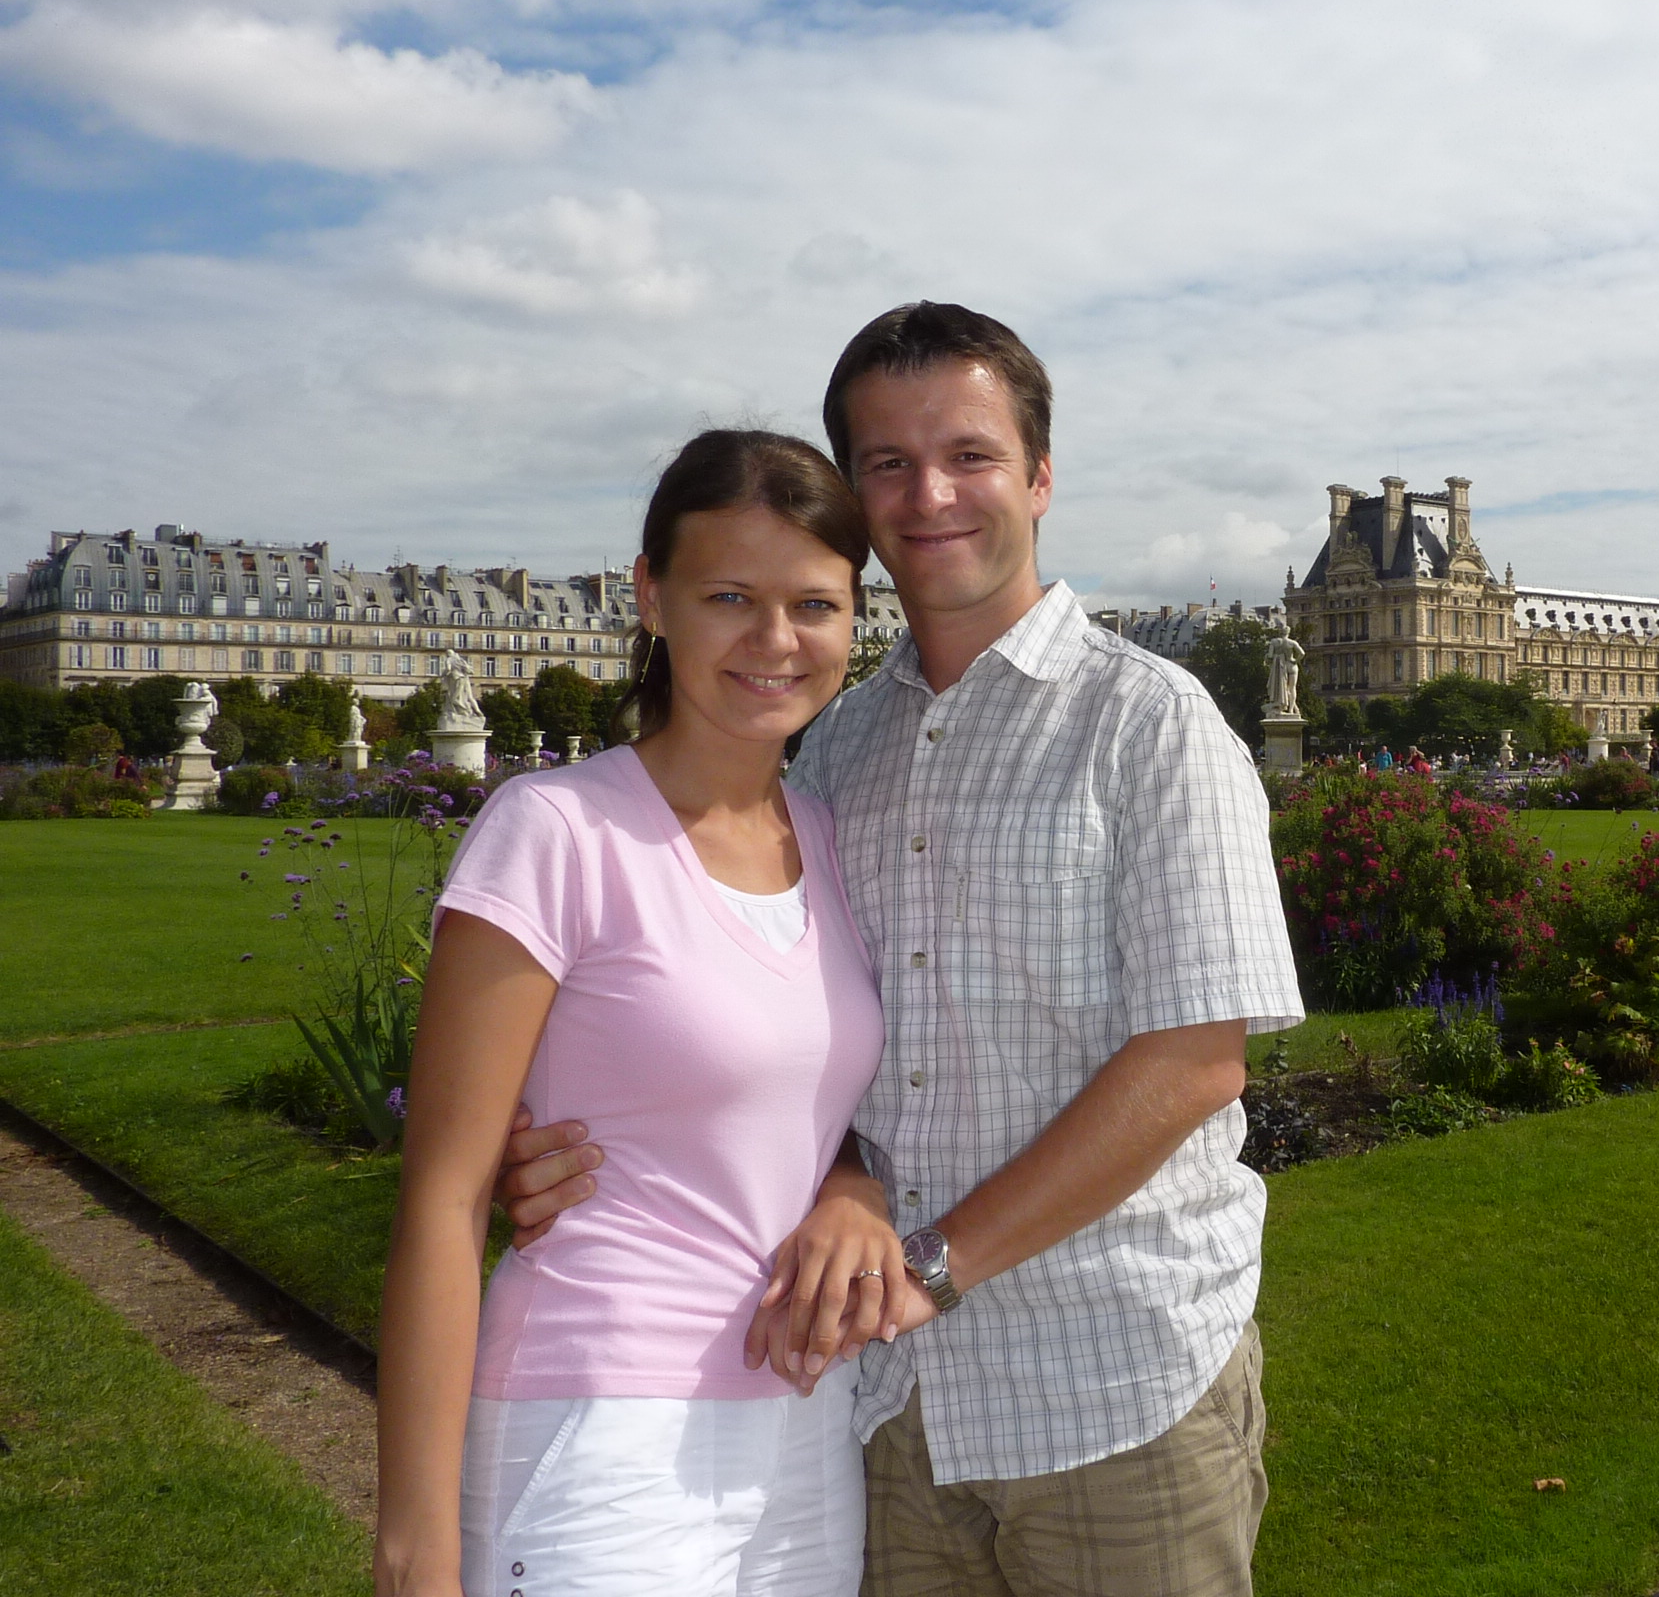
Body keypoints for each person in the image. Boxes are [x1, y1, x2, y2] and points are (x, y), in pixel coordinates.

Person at [498, 303, 1302, 1597]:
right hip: (890, 1412)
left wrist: (929, 1260)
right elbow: (794, 1033)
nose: (930, 493)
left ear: (1040, 476)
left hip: (1115, 1385)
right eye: (886, 462)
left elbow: (1196, 1068)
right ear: (858, 501)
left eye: (970, 454)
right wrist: (820, 1176)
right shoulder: (835, 751)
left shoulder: (1154, 725)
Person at [374, 432, 893, 1597]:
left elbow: (795, 1104)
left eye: (815, 603)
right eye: (729, 596)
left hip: (806, 1429)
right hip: (599, 1423)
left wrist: (853, 1188)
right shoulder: (554, 829)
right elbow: (445, 1196)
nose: (776, 640)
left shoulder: (828, 837)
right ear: (650, 595)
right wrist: (414, 1549)